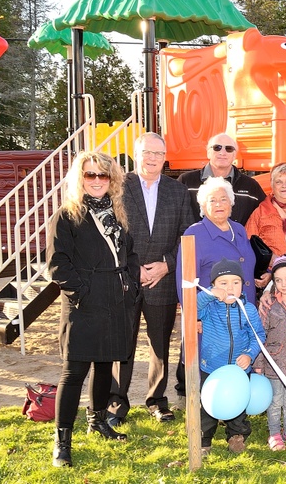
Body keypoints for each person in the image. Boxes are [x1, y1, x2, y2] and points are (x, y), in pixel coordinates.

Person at [47, 151, 140, 468]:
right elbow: (58, 264)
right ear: (80, 178)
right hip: (84, 303)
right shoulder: (67, 215)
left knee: (105, 366)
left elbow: (130, 253)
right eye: (90, 175)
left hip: (116, 299)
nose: (97, 181)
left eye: (103, 175)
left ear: (111, 179)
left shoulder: (117, 212)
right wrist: (83, 293)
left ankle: (97, 420)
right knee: (73, 373)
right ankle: (62, 442)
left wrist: (132, 284)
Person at [107, 133, 195, 427]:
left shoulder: (178, 191)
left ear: (165, 156)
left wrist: (166, 266)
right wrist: (135, 269)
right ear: (135, 154)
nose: (153, 158)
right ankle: (116, 400)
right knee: (123, 343)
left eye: (158, 153)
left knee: (160, 344)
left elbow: (187, 236)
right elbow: (111, 235)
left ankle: (157, 400)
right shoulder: (118, 187)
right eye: (147, 152)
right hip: (127, 279)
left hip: (164, 281)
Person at [197, 258, 266, 456]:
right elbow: (194, 308)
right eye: (223, 283)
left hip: (239, 369)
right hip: (212, 368)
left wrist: (249, 355)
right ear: (213, 286)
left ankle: (236, 436)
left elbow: (258, 335)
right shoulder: (209, 308)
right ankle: (204, 440)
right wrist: (208, 295)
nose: (230, 288)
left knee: (238, 407)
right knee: (207, 406)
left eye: (235, 282)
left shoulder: (249, 309)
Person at [253, 255, 286, 451]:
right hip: (273, 362)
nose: (283, 284)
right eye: (278, 280)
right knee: (275, 400)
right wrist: (258, 364)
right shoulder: (268, 305)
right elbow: (260, 335)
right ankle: (274, 433)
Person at [176, 176, 260, 304]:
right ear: (203, 206)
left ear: (231, 203)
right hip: (214, 316)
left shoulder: (239, 230)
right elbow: (186, 284)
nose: (218, 204)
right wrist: (194, 319)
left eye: (223, 199)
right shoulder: (193, 234)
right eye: (212, 200)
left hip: (246, 312)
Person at [178, 133, 266, 225]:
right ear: (208, 152)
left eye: (229, 149)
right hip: (196, 239)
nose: (222, 153)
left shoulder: (251, 186)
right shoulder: (186, 182)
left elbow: (265, 215)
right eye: (217, 147)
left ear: (234, 155)